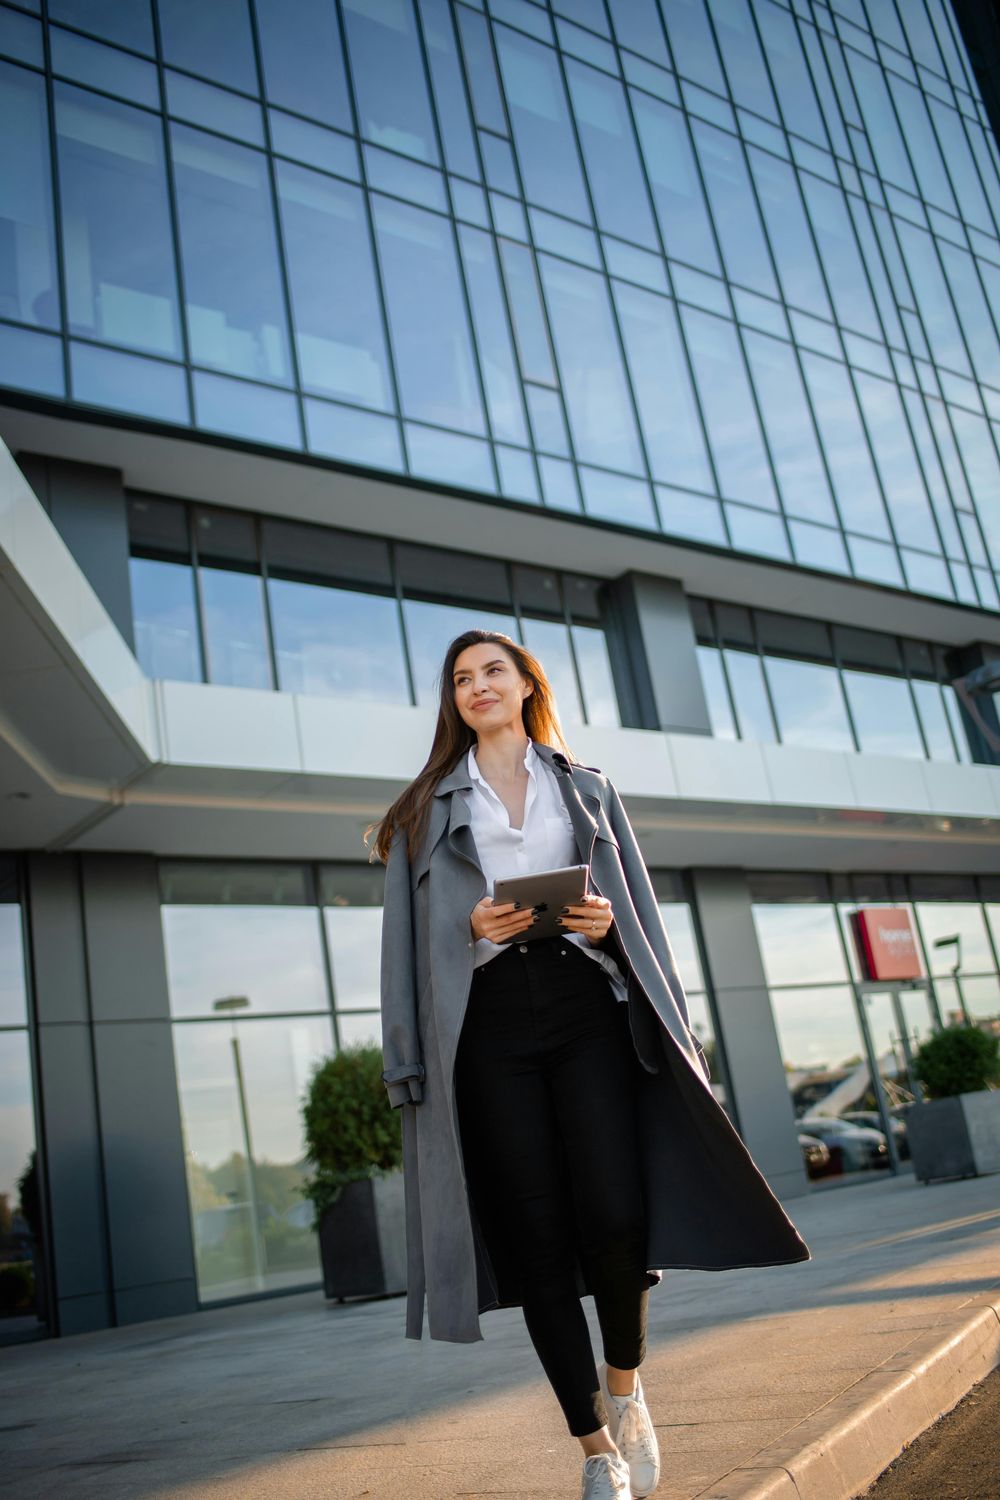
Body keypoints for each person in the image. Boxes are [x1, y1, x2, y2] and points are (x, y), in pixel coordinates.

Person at [366, 629, 809, 1500]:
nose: (477, 686)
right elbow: (401, 951)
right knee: (536, 1243)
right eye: (461, 678)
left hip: (585, 1005)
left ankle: (626, 1388)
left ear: (528, 684)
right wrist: (467, 932)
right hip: (486, 1028)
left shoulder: (588, 787)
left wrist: (606, 930)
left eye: (493, 670)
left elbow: (640, 913)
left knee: (614, 1219)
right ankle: (595, 1452)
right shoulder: (424, 810)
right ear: (453, 702)